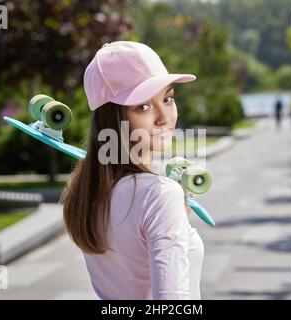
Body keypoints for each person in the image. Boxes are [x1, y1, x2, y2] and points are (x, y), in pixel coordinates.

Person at [60, 41, 204, 300]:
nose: (164, 117)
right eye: (143, 106)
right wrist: (166, 205)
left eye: (168, 98)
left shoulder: (83, 191)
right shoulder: (160, 195)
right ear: (114, 118)